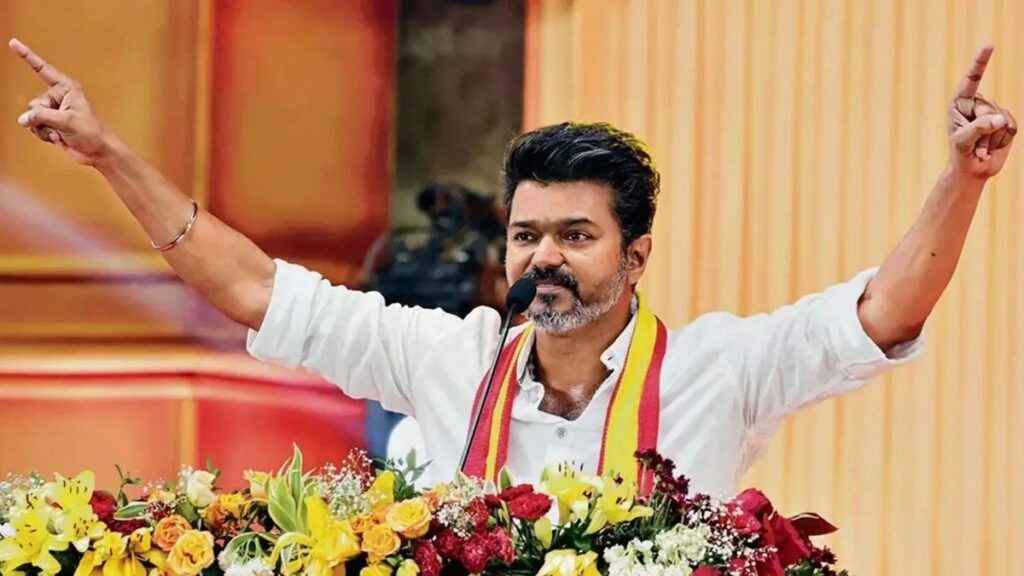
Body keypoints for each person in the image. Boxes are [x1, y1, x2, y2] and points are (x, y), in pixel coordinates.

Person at [7, 38, 1016, 496]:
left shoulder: (723, 366)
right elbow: (252, 289)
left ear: (636, 254)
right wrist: (108, 155)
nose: (544, 257)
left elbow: (882, 313)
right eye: (527, 235)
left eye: (575, 236)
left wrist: (961, 180)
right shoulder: (447, 357)